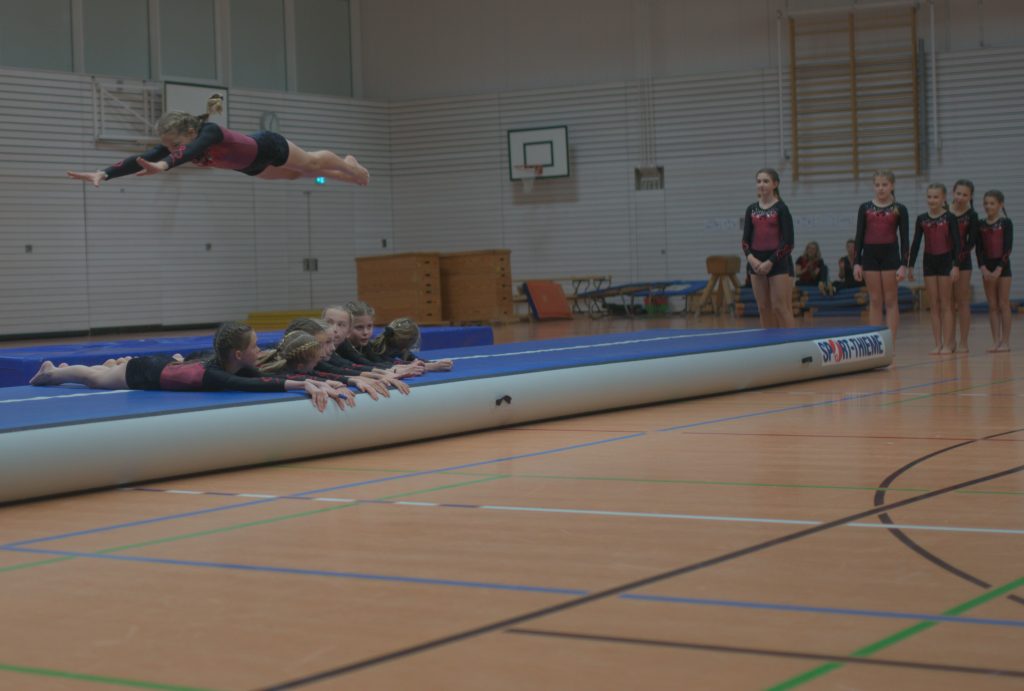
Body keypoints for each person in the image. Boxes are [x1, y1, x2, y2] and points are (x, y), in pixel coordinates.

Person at [29, 322, 352, 412]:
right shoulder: (216, 373)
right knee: (93, 379)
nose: (260, 350)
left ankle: (57, 368)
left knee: (98, 376)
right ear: (238, 354)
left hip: (167, 368)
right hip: (145, 372)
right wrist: (302, 385)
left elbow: (270, 378)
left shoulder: (235, 366)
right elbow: (248, 386)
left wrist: (313, 382)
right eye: (254, 346)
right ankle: (54, 372)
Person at [67, 94, 369, 186]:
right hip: (249, 166)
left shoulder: (208, 133)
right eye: (167, 144)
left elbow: (190, 152)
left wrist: (164, 164)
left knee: (312, 162)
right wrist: (104, 173)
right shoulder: (173, 149)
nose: (170, 148)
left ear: (188, 131)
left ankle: (351, 167)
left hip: (268, 145)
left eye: (174, 142)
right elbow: (139, 159)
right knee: (296, 175)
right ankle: (344, 174)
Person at [853, 170, 909, 338]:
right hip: (870, 256)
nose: (881, 188)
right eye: (877, 185)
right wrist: (857, 262)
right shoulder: (865, 208)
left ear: (892, 186)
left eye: (884, 185)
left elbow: (905, 239)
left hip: (891, 256)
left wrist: (903, 265)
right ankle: (875, 342)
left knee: (891, 301)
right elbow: (859, 237)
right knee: (875, 300)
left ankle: (890, 342)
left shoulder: (899, 209)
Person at [907, 184, 960, 354]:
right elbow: (916, 243)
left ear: (944, 198)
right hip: (929, 261)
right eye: (929, 197)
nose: (932, 200)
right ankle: (937, 343)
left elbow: (957, 244)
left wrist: (956, 265)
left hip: (946, 261)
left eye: (936, 197)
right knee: (934, 305)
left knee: (946, 304)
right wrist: (910, 265)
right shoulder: (922, 218)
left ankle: (949, 343)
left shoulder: (950, 218)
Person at [741, 168, 795, 328]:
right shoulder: (751, 209)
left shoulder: (781, 209)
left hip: (777, 262)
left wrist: (770, 261)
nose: (761, 185)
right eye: (759, 181)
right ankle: (769, 345)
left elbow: (788, 242)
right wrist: (751, 259)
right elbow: (745, 241)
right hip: (756, 262)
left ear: (775, 184)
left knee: (780, 307)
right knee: (763, 308)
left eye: (766, 181)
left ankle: (793, 343)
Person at [976, 190, 1013, 352]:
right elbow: (979, 249)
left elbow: (1007, 248)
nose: (988, 206)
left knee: (1003, 303)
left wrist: (999, 268)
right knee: (992, 305)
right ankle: (995, 341)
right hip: (987, 268)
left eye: (992, 203)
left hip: (1003, 267)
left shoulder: (1006, 223)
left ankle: (1005, 341)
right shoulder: (980, 224)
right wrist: (983, 268)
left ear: (1000, 205)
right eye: (986, 203)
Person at [949, 179, 979, 352]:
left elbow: (971, 242)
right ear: (953, 193)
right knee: (948, 302)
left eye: (965, 195)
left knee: (962, 301)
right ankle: (950, 340)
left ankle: (964, 342)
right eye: (958, 193)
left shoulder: (972, 216)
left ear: (970, 196)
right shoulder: (945, 211)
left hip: (962, 260)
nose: (961, 197)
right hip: (944, 259)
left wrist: (957, 262)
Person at [368, 318, 454, 372]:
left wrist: (436, 363)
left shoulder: (394, 345)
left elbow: (414, 359)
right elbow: (393, 364)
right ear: (407, 343)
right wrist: (430, 367)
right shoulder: (377, 350)